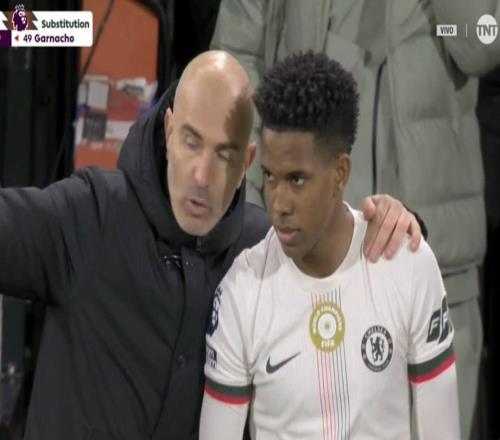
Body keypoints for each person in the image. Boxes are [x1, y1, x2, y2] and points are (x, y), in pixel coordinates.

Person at [0, 51, 421, 440]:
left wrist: (396, 223)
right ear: (168, 131)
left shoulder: (266, 251)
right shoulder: (89, 216)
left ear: (246, 164)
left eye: (224, 154)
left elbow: (355, 254)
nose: (202, 175)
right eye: (191, 141)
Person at [210, 3, 500, 436]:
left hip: (432, 259)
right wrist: (261, 213)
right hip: (300, 270)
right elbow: (236, 65)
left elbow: (481, 43)